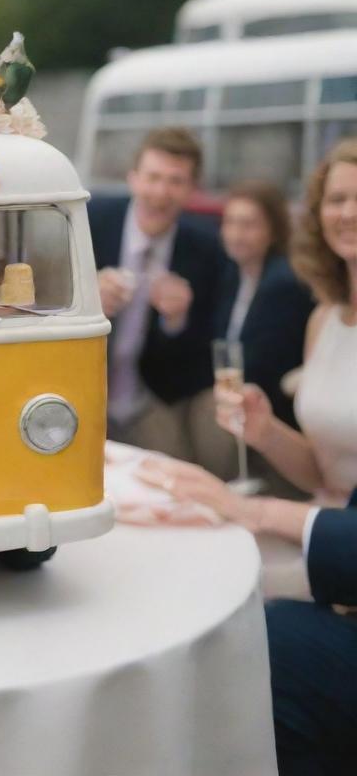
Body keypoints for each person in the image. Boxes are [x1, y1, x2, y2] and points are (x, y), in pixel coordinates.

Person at [137, 137, 357, 775]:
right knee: (177, 559)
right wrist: (265, 433)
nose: (348, 212)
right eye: (338, 199)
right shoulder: (325, 320)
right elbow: (322, 468)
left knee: (220, 623)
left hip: (338, 555)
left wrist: (245, 508)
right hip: (323, 523)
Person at [88, 127, 224, 458]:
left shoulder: (205, 248)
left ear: (192, 189)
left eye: (175, 181)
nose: (161, 192)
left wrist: (176, 321)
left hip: (151, 396)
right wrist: (88, 299)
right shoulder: (91, 220)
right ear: (133, 178)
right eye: (153, 177)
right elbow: (46, 292)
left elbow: (205, 349)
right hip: (84, 385)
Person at [191, 182, 316, 482]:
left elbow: (265, 365)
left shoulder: (283, 282)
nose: (235, 234)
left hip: (274, 404)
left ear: (273, 231)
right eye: (230, 223)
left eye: (248, 225)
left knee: (206, 409)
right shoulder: (235, 273)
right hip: (240, 390)